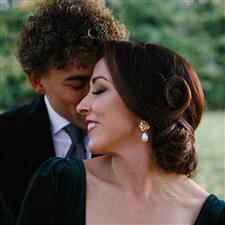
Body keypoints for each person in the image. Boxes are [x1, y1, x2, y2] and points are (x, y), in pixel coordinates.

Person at [16, 41, 225, 225]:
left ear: (143, 106)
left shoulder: (213, 216)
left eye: (98, 90)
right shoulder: (58, 183)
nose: (82, 106)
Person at [0, 0, 128, 219]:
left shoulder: (133, 132)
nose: (92, 99)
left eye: (101, 84)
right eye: (77, 85)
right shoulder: (4, 136)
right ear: (37, 81)